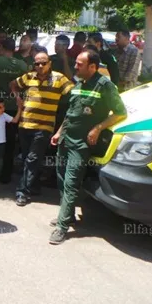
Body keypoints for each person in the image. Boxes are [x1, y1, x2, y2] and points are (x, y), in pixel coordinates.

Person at [49, 49, 127, 244]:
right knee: (61, 179)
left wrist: (98, 128)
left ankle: (62, 227)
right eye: (76, 63)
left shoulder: (105, 85)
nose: (75, 66)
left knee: (71, 182)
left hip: (81, 144)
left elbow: (120, 113)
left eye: (79, 64)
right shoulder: (79, 82)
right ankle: (68, 215)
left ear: (92, 67)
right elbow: (71, 112)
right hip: (66, 139)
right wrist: (59, 132)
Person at [10, 50, 73, 205]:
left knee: (32, 158)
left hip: (44, 127)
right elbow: (13, 84)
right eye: (37, 63)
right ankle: (34, 186)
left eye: (43, 63)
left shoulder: (59, 78)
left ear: (49, 63)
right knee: (28, 158)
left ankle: (22, 192)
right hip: (25, 124)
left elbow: (73, 92)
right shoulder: (29, 77)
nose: (39, 66)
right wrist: (18, 98)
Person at [0, 38, 28, 183]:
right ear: (14, 49)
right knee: (9, 144)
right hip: (14, 108)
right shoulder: (23, 65)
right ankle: (5, 175)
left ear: (1, 47)